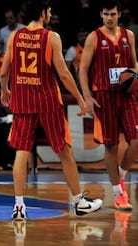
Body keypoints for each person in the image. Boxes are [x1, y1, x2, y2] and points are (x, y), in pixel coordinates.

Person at [0, 0, 103, 221]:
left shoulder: (14, 37)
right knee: (63, 150)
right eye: (49, 11)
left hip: (23, 101)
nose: (50, 14)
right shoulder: (51, 37)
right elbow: (64, 74)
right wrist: (81, 98)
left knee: (21, 152)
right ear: (43, 13)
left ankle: (18, 206)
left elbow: (3, 71)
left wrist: (4, 90)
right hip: (48, 101)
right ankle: (78, 202)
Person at [78, 0, 138, 211]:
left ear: (119, 14)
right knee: (111, 145)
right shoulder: (94, 37)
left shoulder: (128, 36)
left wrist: (134, 80)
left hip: (127, 95)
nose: (109, 18)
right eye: (106, 14)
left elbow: (134, 64)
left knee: (136, 140)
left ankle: (120, 175)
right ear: (101, 15)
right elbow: (83, 69)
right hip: (103, 95)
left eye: (113, 14)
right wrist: (87, 96)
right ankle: (118, 193)